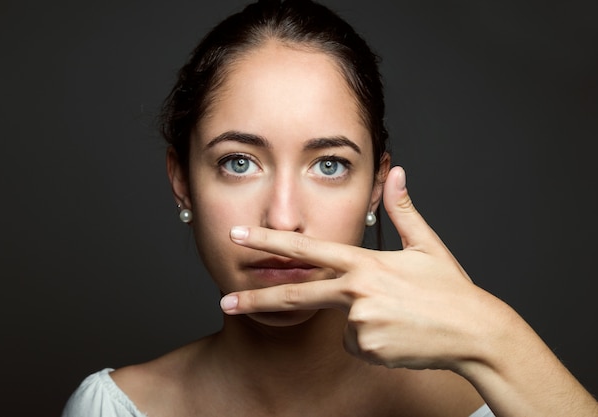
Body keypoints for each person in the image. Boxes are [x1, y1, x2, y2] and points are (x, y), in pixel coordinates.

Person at [62, 0, 598, 416]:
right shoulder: (111, 407)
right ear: (182, 181)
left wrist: (494, 334)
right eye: (240, 162)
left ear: (376, 187)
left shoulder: (491, 404)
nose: (284, 218)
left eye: (329, 165)